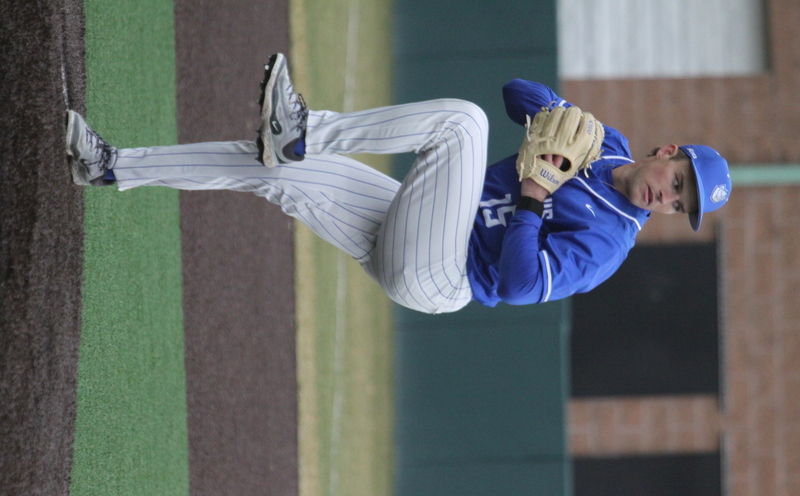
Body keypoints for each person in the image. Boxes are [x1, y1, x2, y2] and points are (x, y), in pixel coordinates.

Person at [66, 53, 731, 314]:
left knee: (461, 126)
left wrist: (535, 194)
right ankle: (111, 165)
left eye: (681, 204)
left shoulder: (610, 242)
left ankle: (305, 128)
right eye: (679, 182)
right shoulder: (602, 143)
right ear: (667, 152)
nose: (669, 198)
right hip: (412, 224)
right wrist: (559, 113)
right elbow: (513, 92)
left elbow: (523, 283)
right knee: (271, 170)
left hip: (443, 276)